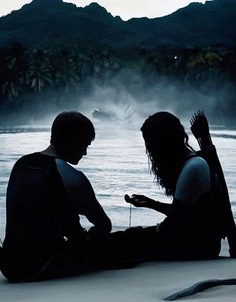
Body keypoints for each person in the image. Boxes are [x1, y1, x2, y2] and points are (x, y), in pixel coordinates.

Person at [0, 111, 112, 282]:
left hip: (9, 264)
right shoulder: (71, 176)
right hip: (41, 265)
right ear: (74, 140)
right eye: (85, 145)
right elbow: (103, 224)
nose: (85, 153)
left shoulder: (22, 163)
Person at [107, 111, 225, 262]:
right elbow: (184, 214)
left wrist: (143, 235)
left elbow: (174, 226)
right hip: (197, 242)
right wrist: (152, 204)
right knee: (123, 239)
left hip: (195, 247)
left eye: (150, 144)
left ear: (163, 143)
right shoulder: (192, 163)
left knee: (121, 241)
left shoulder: (193, 168)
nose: (149, 151)